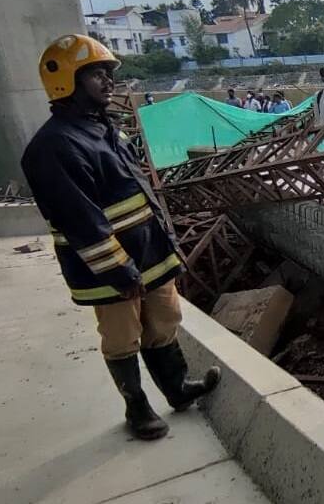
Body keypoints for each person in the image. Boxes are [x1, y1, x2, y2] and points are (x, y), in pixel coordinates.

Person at [20, 34, 220, 441]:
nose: (109, 82)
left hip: (149, 256)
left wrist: (164, 243)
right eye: (96, 74)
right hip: (111, 267)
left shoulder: (106, 131)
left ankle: (178, 388)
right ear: (65, 83)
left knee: (164, 321)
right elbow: (80, 220)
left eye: (109, 74)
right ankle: (137, 408)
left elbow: (139, 194)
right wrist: (118, 269)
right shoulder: (54, 147)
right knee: (121, 337)